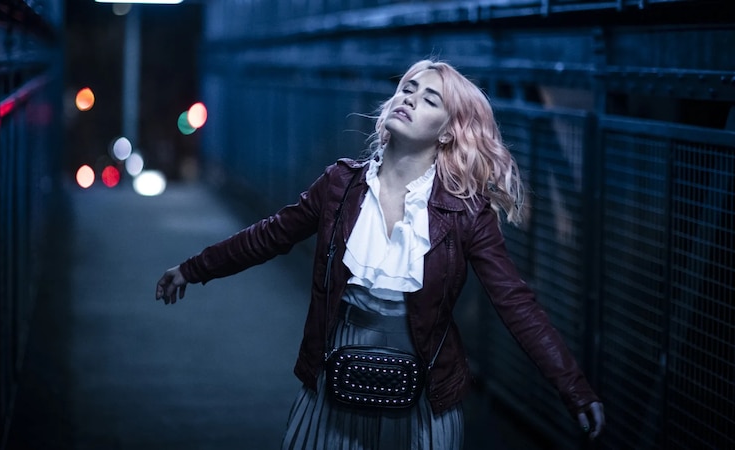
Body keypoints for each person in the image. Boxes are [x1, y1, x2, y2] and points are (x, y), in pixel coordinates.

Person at [155, 58, 605, 449]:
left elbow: (515, 302)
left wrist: (574, 388)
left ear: (448, 133)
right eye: (407, 89)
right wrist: (192, 270)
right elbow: (269, 236)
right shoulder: (340, 186)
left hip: (425, 396)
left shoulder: (466, 214)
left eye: (430, 99)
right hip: (334, 381)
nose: (410, 98)